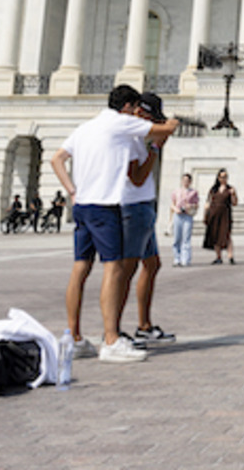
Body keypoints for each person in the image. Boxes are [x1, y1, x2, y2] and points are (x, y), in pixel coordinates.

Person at [51, 84, 177, 363]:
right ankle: (111, 339)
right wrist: (171, 125)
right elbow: (162, 133)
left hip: (82, 204)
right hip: (105, 204)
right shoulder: (122, 123)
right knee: (114, 268)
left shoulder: (86, 128)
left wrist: (71, 190)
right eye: (135, 109)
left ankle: (74, 336)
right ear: (129, 107)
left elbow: (56, 158)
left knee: (80, 268)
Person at [126, 92, 176, 348]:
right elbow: (137, 176)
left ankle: (144, 325)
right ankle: (114, 331)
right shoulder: (130, 136)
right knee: (125, 269)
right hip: (132, 206)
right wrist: (156, 148)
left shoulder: (136, 136)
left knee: (152, 264)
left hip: (143, 206)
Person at [203, 169, 237, 264]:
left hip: (225, 215)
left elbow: (234, 203)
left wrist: (233, 194)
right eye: (222, 177)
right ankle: (218, 257)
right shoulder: (214, 189)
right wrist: (205, 215)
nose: (224, 179)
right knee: (215, 235)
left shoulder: (230, 189)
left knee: (226, 235)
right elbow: (208, 202)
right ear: (218, 178)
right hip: (214, 214)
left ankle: (230, 256)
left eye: (225, 177)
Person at [170, 173, 200, 268]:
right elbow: (172, 204)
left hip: (187, 215)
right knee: (176, 238)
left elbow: (196, 205)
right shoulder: (176, 192)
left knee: (186, 238)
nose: (185, 182)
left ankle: (185, 259)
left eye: (187, 180)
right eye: (184, 180)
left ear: (190, 182)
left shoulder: (193, 192)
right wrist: (175, 209)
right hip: (178, 215)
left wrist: (190, 206)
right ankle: (176, 258)